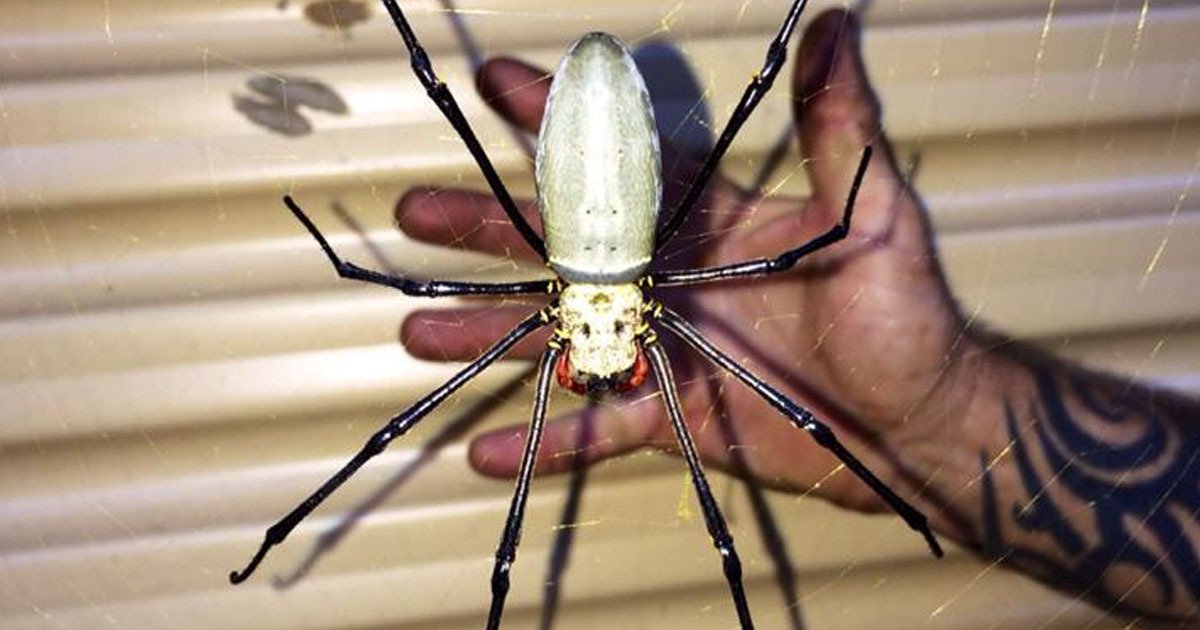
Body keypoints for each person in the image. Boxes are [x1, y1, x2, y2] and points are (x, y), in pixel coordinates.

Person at [394, 9, 1199, 623]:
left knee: (710, 537)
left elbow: (810, 252)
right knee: (675, 531)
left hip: (582, 240)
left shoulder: (597, 323)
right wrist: (946, 423)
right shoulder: (660, 327)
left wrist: (938, 418)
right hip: (613, 238)